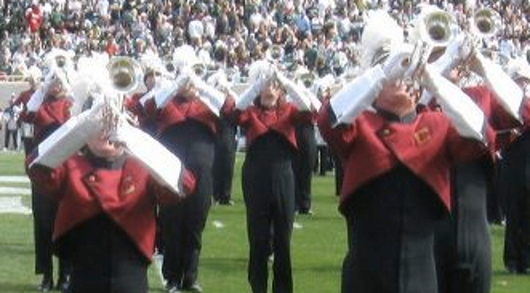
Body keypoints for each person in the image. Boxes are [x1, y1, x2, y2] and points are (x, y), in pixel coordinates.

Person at [316, 11, 488, 293]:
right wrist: (382, 72)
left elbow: (479, 130)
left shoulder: (436, 124)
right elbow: (328, 118)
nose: (401, 77)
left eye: (404, 71)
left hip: (420, 278)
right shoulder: (359, 124)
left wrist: (433, 80)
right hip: (364, 279)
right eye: (394, 71)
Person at [26, 91, 196, 293]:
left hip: (132, 280)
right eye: (98, 126)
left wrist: (132, 137)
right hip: (82, 280)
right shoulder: (69, 166)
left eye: (114, 123)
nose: (106, 130)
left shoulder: (143, 167)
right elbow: (35, 166)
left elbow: (184, 183)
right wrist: (82, 124)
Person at [223, 60, 316, 293]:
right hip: (255, 177)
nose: (269, 90)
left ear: (281, 91)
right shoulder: (252, 112)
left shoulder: (289, 111)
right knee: (258, 238)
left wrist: (285, 81)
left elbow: (308, 109)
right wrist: (256, 86)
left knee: (283, 239)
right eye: (266, 86)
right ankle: (258, 287)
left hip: (284, 176)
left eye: (274, 86)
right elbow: (234, 112)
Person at [144, 65, 226, 293]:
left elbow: (227, 106)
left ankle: (190, 277)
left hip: (202, 172)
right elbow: (147, 107)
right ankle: (171, 277)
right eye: (185, 82)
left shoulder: (207, 104)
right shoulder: (166, 102)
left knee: (195, 222)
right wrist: (174, 84)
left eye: (191, 82)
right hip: (172, 171)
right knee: (172, 222)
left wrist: (201, 84)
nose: (188, 85)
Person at [23, 68, 73, 292]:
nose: (57, 84)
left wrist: (70, 86)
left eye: (60, 80)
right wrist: (44, 86)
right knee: (42, 223)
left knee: (67, 222)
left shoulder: (72, 101)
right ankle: (46, 275)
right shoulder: (39, 102)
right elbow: (28, 113)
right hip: (42, 170)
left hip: (67, 170)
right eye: (54, 80)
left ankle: (65, 275)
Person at [498, 57, 530, 274]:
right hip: (513, 165)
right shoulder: (503, 105)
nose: (523, 84)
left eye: (525, 81)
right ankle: (512, 260)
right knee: (514, 213)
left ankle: (526, 259)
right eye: (519, 80)